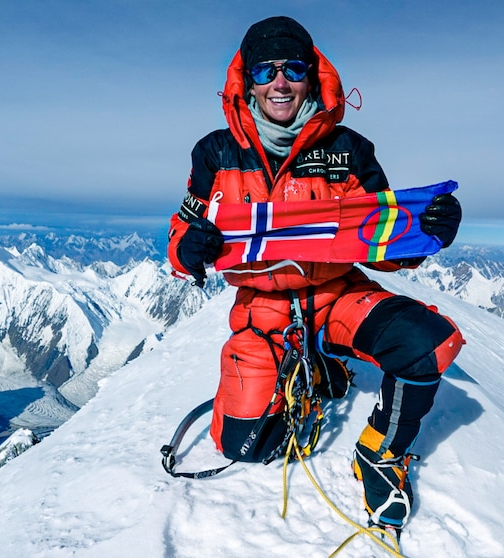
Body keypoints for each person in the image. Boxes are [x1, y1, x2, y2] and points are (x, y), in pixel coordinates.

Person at [166, 15, 464, 531]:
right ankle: (319, 371)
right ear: (247, 81)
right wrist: (188, 250)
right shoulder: (214, 153)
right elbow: (182, 231)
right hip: (262, 310)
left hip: (335, 293)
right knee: (244, 446)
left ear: (312, 75)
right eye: (265, 71)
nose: (279, 83)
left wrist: (426, 232)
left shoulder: (348, 149)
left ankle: (380, 453)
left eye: (293, 69)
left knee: (428, 343)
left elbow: (380, 237)